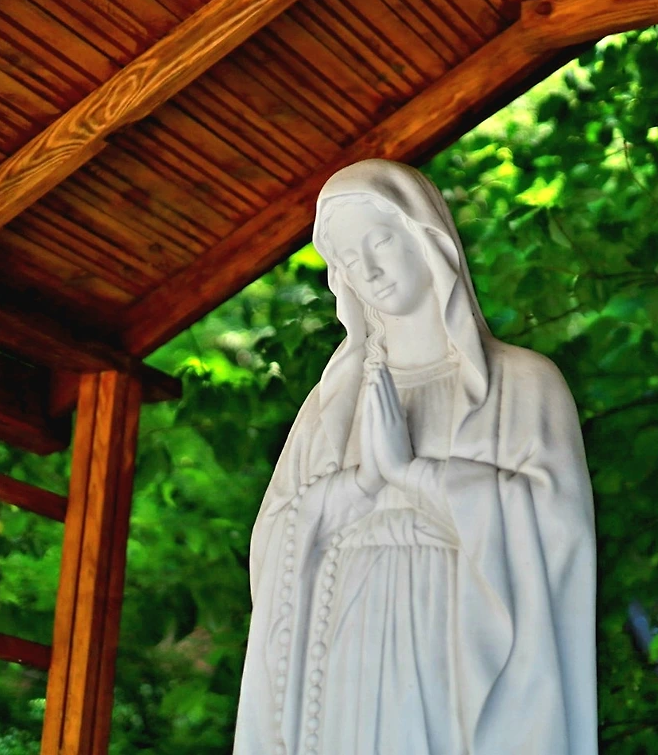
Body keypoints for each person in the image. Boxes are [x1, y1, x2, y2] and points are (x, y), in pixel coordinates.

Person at [234, 160, 597, 755]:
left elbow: (559, 533)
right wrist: (361, 485)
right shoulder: (330, 406)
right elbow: (275, 540)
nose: (370, 270)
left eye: (379, 242)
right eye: (349, 259)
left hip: (455, 641)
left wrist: (415, 476)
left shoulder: (523, 384)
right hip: (343, 647)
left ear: (426, 237)